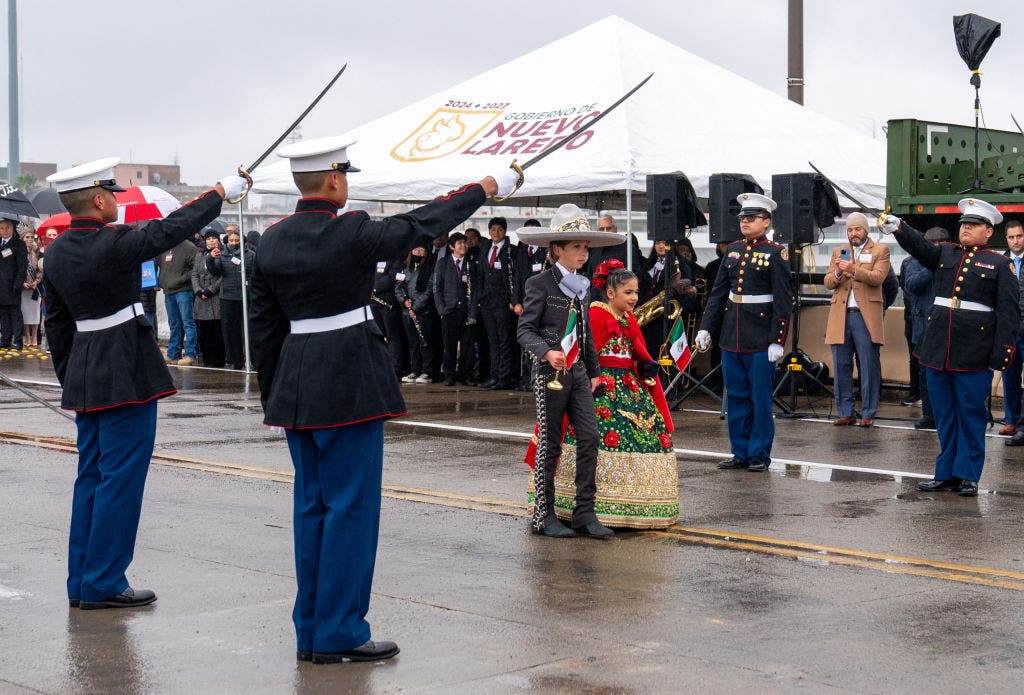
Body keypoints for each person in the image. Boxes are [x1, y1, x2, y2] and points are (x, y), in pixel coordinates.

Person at [248, 134, 514, 663]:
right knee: (350, 510)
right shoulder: (351, 231)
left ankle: (313, 629)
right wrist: (485, 187)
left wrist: (278, 396)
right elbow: (423, 222)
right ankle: (341, 632)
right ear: (333, 180)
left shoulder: (271, 241)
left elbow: (264, 326)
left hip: (297, 387)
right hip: (348, 381)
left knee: (313, 509)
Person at [42, 157, 242, 609]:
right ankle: (104, 582)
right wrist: (219, 194)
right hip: (125, 368)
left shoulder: (55, 252)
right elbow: (172, 227)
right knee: (120, 481)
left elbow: (57, 325)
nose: (116, 200)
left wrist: (71, 379)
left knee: (91, 478)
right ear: (97, 199)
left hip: (86, 370)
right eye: (111, 194)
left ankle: (83, 581)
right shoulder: (116, 243)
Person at [882, 199, 1019, 496]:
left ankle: (968, 474)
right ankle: (945, 473)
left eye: (973, 225)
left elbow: (1009, 313)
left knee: (971, 414)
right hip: (938, 348)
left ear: (988, 230)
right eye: (963, 225)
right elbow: (921, 247)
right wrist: (900, 229)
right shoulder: (945, 253)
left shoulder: (999, 263)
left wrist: (1002, 353)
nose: (966, 229)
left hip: (974, 351)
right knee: (944, 415)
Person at [517, 204, 623, 539]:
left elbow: (586, 334)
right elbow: (525, 330)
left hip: (577, 373)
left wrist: (593, 371)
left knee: (590, 436)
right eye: (577, 247)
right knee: (550, 443)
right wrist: (547, 352)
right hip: (550, 374)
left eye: (585, 247)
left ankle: (583, 513)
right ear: (557, 249)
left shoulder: (582, 285)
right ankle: (543, 515)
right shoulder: (540, 283)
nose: (583, 252)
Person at [552, 259, 678, 529]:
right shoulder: (597, 314)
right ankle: (590, 505)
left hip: (630, 384)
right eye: (628, 293)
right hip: (601, 385)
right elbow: (585, 355)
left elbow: (635, 350)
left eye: (635, 292)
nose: (634, 298)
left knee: (644, 435)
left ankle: (635, 503)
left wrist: (642, 364)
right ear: (611, 293)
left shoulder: (627, 317)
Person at [695, 193, 793, 472]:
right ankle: (740, 451)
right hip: (732, 334)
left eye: (751, 218)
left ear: (766, 221)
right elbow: (718, 294)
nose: (745, 223)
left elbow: (783, 300)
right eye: (742, 218)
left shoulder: (775, 252)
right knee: (736, 394)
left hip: (761, 336)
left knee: (759, 397)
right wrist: (706, 327)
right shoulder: (733, 249)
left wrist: (778, 339)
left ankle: (759, 452)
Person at [824, 212, 891, 427]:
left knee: (868, 365)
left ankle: (868, 412)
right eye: (850, 230)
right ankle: (846, 411)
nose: (853, 233)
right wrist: (837, 273)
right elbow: (828, 282)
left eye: (857, 229)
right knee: (841, 365)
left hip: (865, 316)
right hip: (840, 315)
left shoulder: (880, 251)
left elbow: (878, 278)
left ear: (866, 230)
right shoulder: (840, 251)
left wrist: (853, 269)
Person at [903, 227, 948, 430]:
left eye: (941, 243)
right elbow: (911, 285)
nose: (936, 247)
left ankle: (944, 414)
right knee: (925, 374)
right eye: (933, 244)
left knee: (945, 374)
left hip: (947, 326)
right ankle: (929, 415)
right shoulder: (914, 262)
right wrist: (931, 266)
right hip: (924, 327)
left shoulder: (953, 262)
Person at [474, 216, 522, 389]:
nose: (496, 232)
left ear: (505, 231)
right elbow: (479, 275)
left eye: (500, 229)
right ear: (489, 231)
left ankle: (504, 377)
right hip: (487, 301)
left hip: (503, 302)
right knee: (492, 340)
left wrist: (513, 299)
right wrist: (479, 296)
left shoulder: (511, 250)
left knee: (505, 340)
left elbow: (515, 278)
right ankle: (494, 376)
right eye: (493, 229)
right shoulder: (484, 247)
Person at [207, 229, 253, 369]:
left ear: (242, 242)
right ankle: (235, 360)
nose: (234, 243)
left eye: (237, 241)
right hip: (227, 297)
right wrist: (211, 258)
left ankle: (252, 359)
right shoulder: (222, 255)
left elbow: (254, 273)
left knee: (249, 329)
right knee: (230, 331)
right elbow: (215, 271)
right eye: (231, 241)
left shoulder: (251, 255)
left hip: (246, 296)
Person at [433, 231, 474, 386]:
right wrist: (441, 309)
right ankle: (449, 374)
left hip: (466, 311)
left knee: (467, 347)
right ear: (452, 247)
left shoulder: (471, 263)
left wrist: (473, 312)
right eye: (460, 243)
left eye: (465, 243)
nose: (463, 245)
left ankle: (464, 375)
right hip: (449, 311)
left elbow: (476, 290)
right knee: (449, 346)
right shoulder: (442, 263)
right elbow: (437, 289)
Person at [394, 244, 436, 384]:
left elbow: (429, 291)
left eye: (421, 250)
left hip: (424, 312)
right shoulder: (404, 269)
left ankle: (427, 371)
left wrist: (416, 307)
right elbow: (398, 288)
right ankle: (415, 369)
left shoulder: (430, 270)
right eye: (415, 249)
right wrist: (404, 301)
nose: (418, 252)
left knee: (425, 342)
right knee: (413, 343)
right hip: (407, 312)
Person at [584, 215, 651, 301]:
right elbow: (590, 276)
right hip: (595, 303)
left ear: (615, 229)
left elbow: (635, 276)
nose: (605, 232)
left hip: (617, 302)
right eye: (601, 229)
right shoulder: (594, 249)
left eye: (608, 228)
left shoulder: (627, 249)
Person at [156, 235, 199, 366]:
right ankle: (173, 354)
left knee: (188, 323)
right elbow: (159, 266)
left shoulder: (189, 247)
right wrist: (160, 281)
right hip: (168, 291)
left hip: (183, 291)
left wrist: (179, 280)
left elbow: (195, 270)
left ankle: (191, 354)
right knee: (174, 324)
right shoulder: (165, 246)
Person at [999, 220, 1024, 436]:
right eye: (1011, 237)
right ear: (1006, 239)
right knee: (1010, 376)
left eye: (1019, 236)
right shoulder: (1001, 262)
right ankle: (1011, 419)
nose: (1016, 241)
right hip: (1009, 331)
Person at [192, 228, 225, 368]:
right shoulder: (199, 255)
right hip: (201, 297)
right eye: (208, 238)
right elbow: (194, 274)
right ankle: (207, 360)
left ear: (218, 240)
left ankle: (219, 360)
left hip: (215, 296)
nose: (211, 241)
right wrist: (198, 290)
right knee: (204, 331)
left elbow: (224, 275)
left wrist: (211, 290)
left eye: (213, 238)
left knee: (217, 331)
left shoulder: (222, 254)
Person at [0, 215, 28, 350]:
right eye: (2, 228)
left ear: (12, 229)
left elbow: (22, 266)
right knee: (3, 314)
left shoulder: (19, 244)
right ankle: (5, 339)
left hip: (12, 285)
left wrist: (18, 283)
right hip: (0, 286)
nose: (4, 230)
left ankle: (17, 341)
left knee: (15, 313)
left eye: (7, 228)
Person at [20, 229, 42, 348]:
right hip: (23, 288)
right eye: (27, 237)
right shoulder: (19, 252)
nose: (29, 239)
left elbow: (40, 269)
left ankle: (34, 336)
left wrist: (36, 281)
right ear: (22, 239)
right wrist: (22, 282)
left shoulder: (37, 251)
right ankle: (27, 336)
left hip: (35, 288)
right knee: (25, 312)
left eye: (31, 237)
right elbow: (16, 269)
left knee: (35, 313)